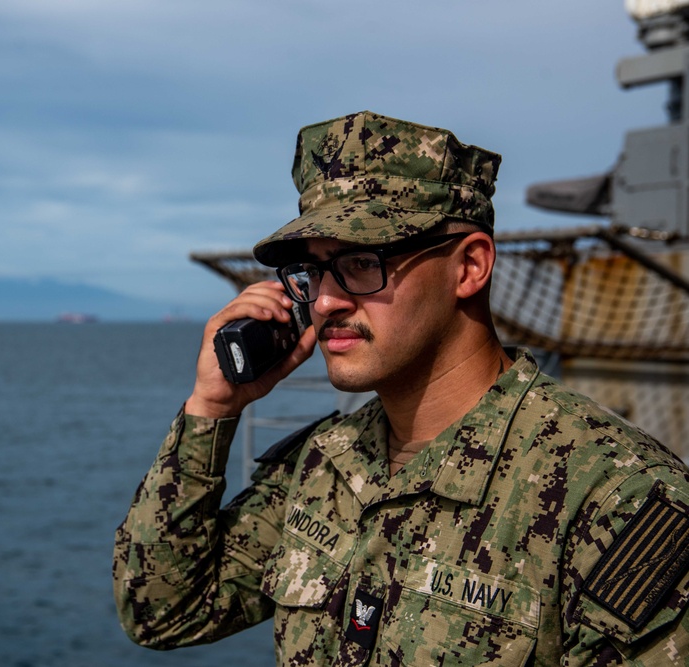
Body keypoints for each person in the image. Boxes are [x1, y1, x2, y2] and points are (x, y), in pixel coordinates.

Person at [113, 111, 689, 665]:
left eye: (362, 263)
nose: (327, 301)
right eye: (313, 272)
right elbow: (164, 611)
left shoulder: (616, 499)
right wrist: (212, 409)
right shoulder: (327, 461)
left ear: (469, 268)